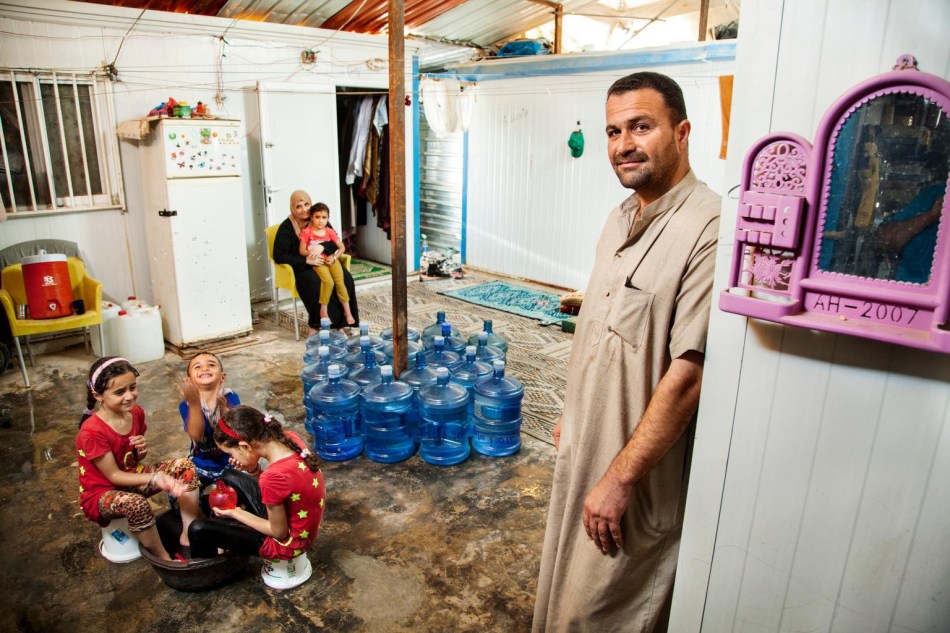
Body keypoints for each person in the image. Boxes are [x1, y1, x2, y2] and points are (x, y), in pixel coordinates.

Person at [533, 72, 721, 632]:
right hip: (586, 452)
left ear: (681, 131)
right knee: (561, 584)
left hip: (635, 481)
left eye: (642, 126)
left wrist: (619, 479)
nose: (623, 145)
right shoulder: (620, 217)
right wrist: (574, 411)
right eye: (613, 131)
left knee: (598, 612)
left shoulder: (709, 228)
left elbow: (690, 375)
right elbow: (601, 329)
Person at [77, 356, 202, 561]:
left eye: (132, 387)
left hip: (132, 476)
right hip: (101, 492)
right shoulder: (92, 430)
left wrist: (141, 450)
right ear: (98, 395)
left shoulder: (135, 412)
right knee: (136, 504)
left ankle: (188, 533)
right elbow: (114, 475)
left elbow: (132, 459)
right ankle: (163, 557)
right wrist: (155, 478)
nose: (129, 396)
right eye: (119, 392)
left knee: (185, 466)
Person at [187, 405, 325, 588]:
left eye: (230, 452)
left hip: (287, 544)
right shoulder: (290, 439)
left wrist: (235, 513)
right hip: (297, 521)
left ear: (244, 446)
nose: (231, 458)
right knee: (229, 476)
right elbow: (281, 489)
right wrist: (252, 470)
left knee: (198, 528)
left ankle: (206, 576)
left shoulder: (272, 477)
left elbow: (279, 532)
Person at [273, 190, 360, 333]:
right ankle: (317, 323)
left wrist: (322, 246)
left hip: (326, 261)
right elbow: (279, 255)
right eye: (298, 206)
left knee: (346, 279)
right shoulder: (286, 228)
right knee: (316, 283)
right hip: (302, 266)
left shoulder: (318, 218)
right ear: (292, 208)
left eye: (306, 204)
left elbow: (334, 242)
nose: (304, 209)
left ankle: (341, 322)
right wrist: (306, 260)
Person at [298, 202, 356, 325]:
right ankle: (323, 310)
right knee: (328, 282)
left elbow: (341, 248)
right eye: (317, 217)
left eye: (324, 218)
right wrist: (310, 253)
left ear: (327, 218)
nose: (320, 221)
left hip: (331, 260)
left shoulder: (329, 231)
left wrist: (335, 257)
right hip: (318, 262)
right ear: (312, 218)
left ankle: (348, 312)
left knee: (340, 283)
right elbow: (301, 250)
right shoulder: (307, 232)